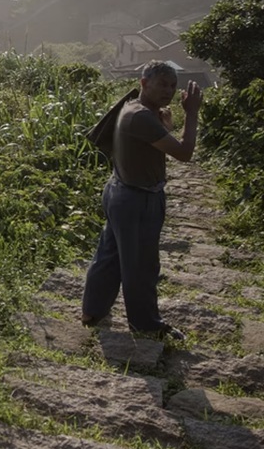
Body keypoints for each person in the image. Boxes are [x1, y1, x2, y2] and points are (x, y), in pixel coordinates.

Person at [81, 60, 202, 340]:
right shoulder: (142, 117)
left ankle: (92, 311)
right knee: (141, 265)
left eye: (172, 85)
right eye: (161, 84)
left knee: (109, 256)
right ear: (143, 82)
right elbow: (184, 153)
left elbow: (156, 142)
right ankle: (145, 324)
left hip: (120, 191)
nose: (168, 91)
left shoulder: (136, 108)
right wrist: (192, 114)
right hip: (137, 200)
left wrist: (166, 126)